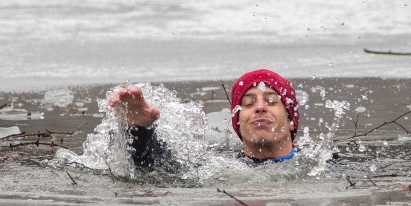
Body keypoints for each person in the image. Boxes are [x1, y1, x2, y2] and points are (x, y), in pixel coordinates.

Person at [108, 68, 300, 171]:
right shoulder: (217, 170)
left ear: (291, 119)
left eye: (271, 101)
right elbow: (155, 169)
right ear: (238, 124)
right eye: (248, 103)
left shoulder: (326, 165)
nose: (260, 107)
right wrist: (139, 129)